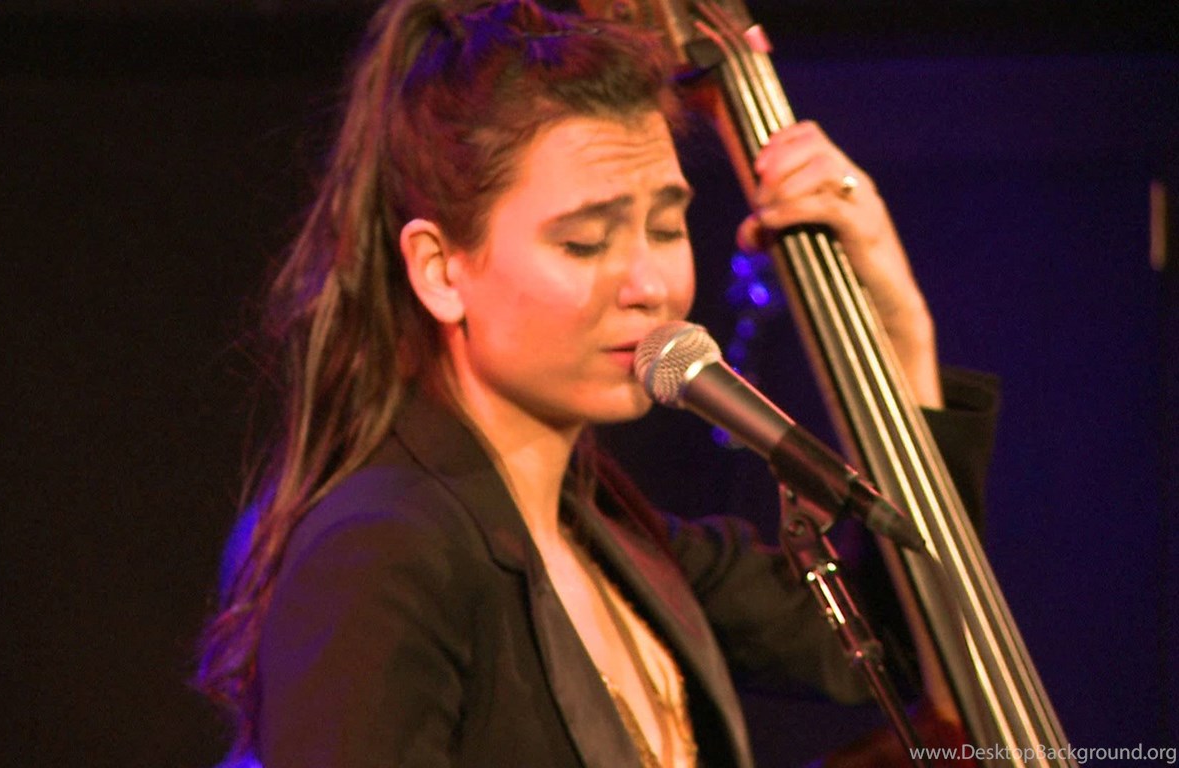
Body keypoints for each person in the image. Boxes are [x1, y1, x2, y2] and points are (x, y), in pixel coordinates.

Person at [196, 1, 998, 766]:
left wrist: (899, 331)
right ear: (440, 271)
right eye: (584, 243)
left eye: (666, 227)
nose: (649, 285)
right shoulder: (381, 551)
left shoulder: (612, 539)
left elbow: (893, 637)